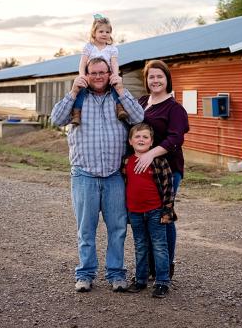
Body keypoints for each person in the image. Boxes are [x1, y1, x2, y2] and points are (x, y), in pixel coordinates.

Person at [51, 56, 144, 293]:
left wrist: (122, 89)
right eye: (94, 73)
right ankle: (85, 274)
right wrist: (73, 91)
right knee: (86, 229)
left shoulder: (118, 98)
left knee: (118, 228)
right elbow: (56, 119)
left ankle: (116, 274)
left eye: (103, 72)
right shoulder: (78, 99)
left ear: (110, 73)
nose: (99, 76)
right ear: (86, 74)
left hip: (114, 175)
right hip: (84, 175)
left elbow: (139, 118)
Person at [134, 59, 189, 279]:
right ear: (146, 80)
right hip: (142, 170)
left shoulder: (174, 108)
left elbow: (176, 138)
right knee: (145, 217)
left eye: (159, 76)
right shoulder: (141, 101)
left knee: (163, 216)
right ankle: (148, 266)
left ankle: (166, 265)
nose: (155, 80)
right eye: (151, 76)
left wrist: (150, 154)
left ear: (167, 79)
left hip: (167, 169)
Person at [121, 123, 176, 298]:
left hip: (155, 211)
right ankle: (140, 279)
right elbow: (124, 186)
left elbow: (168, 187)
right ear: (130, 141)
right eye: (137, 136)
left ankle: (162, 282)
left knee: (160, 246)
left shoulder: (158, 161)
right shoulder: (126, 162)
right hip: (135, 212)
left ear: (151, 142)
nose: (141, 139)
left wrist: (167, 210)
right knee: (140, 246)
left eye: (145, 137)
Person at [71, 14, 128, 126]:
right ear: (94, 33)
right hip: (91, 76)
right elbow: (82, 63)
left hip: (106, 75)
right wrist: (82, 76)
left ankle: (119, 107)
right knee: (80, 91)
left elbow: (114, 63)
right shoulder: (89, 47)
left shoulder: (112, 49)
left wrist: (115, 75)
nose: (104, 34)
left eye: (107, 32)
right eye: (101, 31)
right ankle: (77, 112)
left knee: (115, 88)